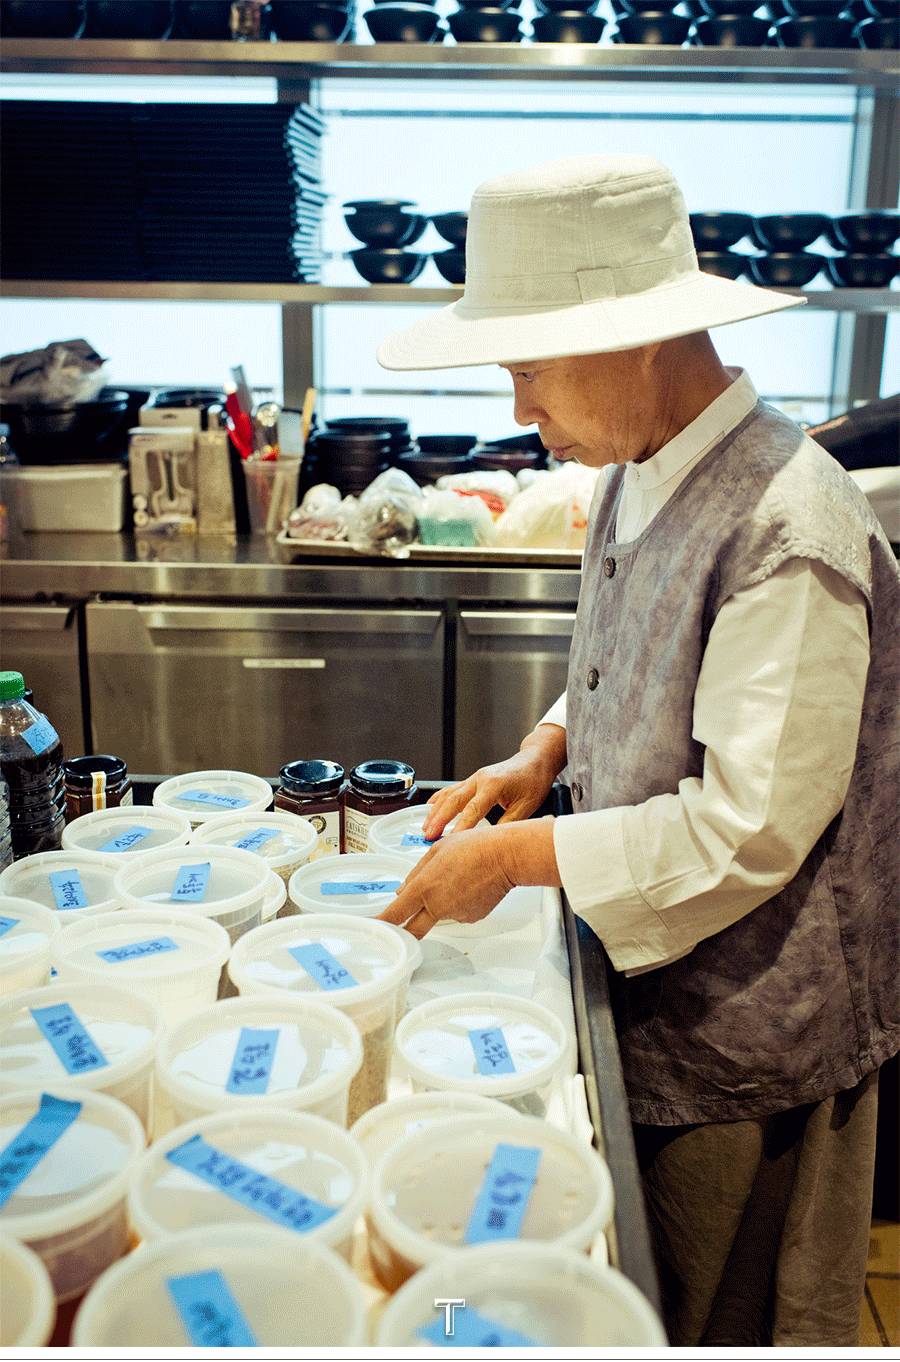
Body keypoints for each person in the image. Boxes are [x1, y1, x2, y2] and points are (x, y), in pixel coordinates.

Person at [375, 154, 899, 1347]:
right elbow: (633, 656)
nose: (521, 409)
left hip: (756, 1025)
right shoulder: (639, 460)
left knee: (726, 1307)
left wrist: (514, 863)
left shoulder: (788, 526)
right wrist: (544, 753)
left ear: (637, 340)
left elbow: (746, 824)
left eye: (528, 369)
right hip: (661, 980)